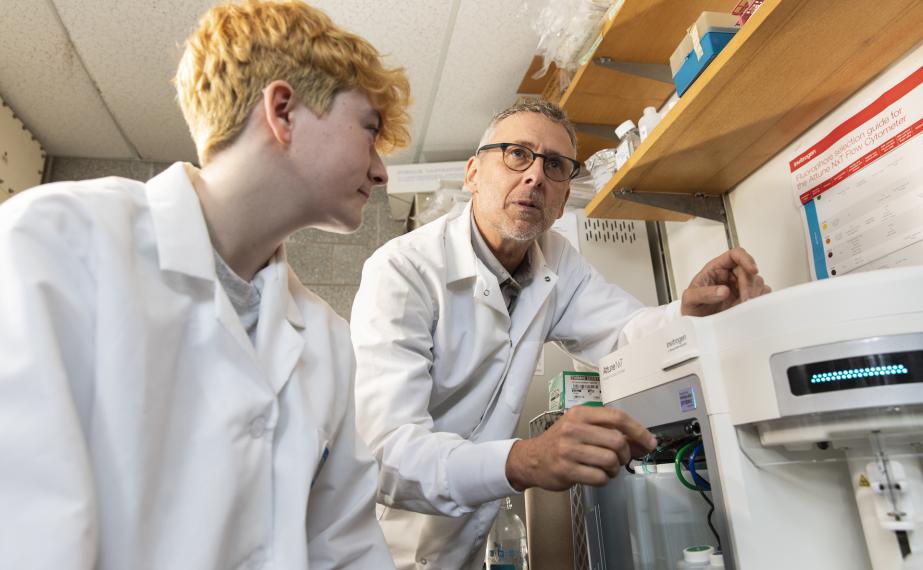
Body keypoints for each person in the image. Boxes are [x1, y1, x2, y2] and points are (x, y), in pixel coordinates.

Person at [0, 1, 410, 568]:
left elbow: (344, 550)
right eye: (369, 130)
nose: (381, 171)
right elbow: (26, 524)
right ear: (284, 110)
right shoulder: (57, 239)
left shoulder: (325, 340)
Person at [350, 99, 770, 568]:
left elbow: (625, 337)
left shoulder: (557, 260)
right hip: (374, 545)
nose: (535, 176)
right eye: (516, 154)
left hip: (461, 549)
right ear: (473, 174)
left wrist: (691, 311)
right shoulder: (403, 270)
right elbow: (387, 451)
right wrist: (525, 460)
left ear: (565, 195)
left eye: (555, 165)